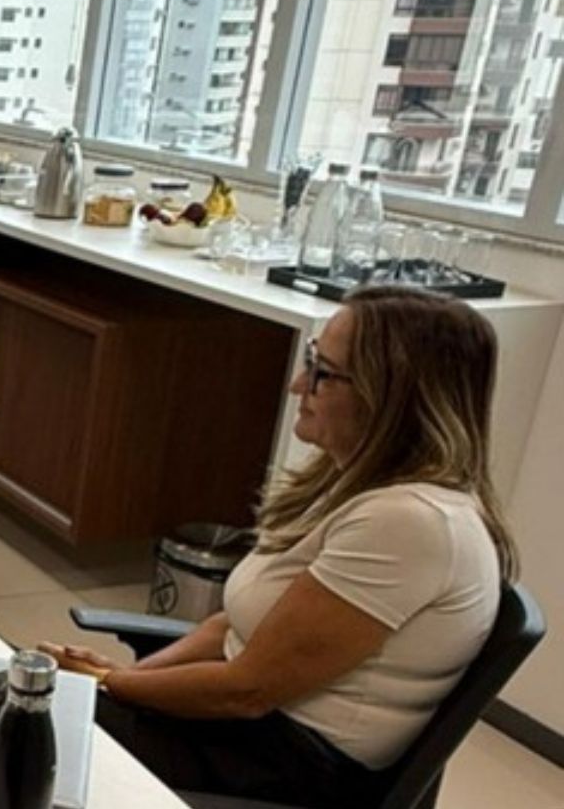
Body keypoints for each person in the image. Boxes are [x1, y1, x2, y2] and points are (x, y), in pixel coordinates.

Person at [38, 287, 516, 808]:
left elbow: (246, 690)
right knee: (21, 700)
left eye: (322, 373)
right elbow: (232, 628)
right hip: (250, 732)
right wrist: (121, 681)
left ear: (390, 397)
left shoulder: (410, 524)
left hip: (286, 765)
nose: (297, 385)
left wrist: (109, 682)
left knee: (24, 721)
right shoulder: (358, 485)